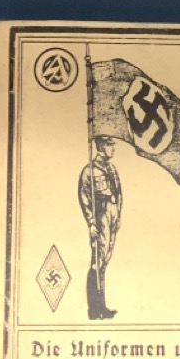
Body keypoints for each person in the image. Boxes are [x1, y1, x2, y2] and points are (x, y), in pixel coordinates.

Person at [78, 135, 122, 320]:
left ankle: (102, 306)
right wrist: (91, 222)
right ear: (102, 147)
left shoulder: (112, 168)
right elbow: (84, 197)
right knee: (98, 261)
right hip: (100, 215)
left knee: (106, 260)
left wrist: (118, 215)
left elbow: (118, 193)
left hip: (112, 214)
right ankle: (94, 309)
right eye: (110, 146)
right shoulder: (89, 170)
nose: (113, 149)